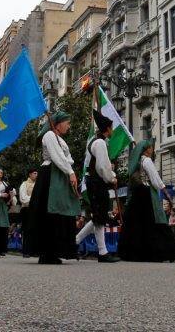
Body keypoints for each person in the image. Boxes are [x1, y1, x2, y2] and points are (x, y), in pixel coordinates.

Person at [25, 111, 81, 265]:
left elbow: (68, 158)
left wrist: (70, 170)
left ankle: (55, 251)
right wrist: (70, 172)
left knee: (61, 212)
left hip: (59, 175)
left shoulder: (61, 140)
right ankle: (46, 252)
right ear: (58, 123)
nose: (69, 126)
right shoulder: (50, 135)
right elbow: (57, 157)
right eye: (67, 122)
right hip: (50, 175)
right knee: (49, 212)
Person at [118, 139, 175, 262]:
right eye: (151, 148)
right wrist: (165, 191)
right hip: (147, 193)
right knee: (157, 220)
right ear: (147, 149)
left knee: (138, 224)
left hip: (138, 194)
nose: (152, 150)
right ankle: (168, 252)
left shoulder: (138, 162)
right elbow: (155, 178)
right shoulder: (146, 160)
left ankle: (135, 253)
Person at [73, 110, 121, 263]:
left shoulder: (97, 141)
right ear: (107, 128)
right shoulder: (99, 143)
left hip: (94, 181)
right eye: (111, 128)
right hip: (97, 182)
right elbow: (102, 167)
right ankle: (102, 252)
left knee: (98, 217)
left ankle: (75, 242)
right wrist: (111, 178)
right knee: (99, 216)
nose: (112, 130)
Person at [18, 168, 37, 257]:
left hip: (36, 210)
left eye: (37, 173)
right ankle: (26, 251)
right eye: (34, 173)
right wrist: (34, 199)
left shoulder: (38, 184)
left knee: (35, 230)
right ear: (29, 174)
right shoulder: (24, 184)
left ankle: (34, 251)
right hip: (27, 210)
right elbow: (23, 199)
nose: (36, 175)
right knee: (27, 230)